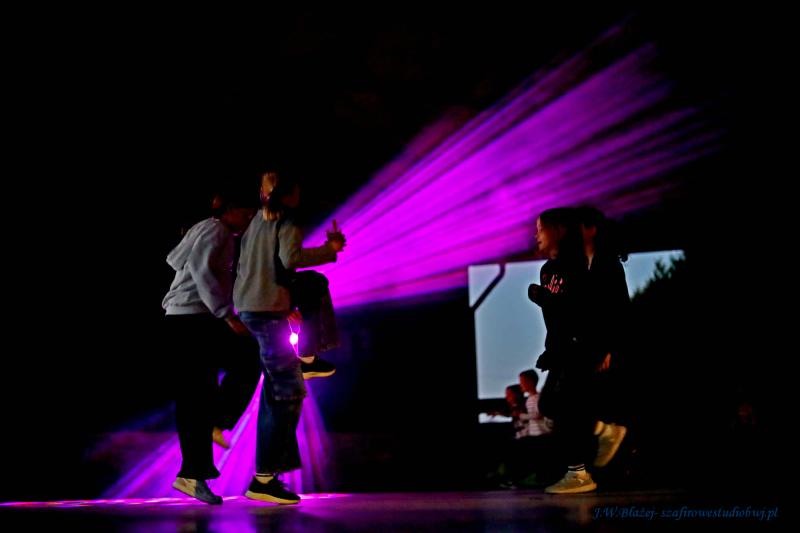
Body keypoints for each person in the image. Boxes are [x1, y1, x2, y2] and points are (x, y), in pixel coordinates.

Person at [233, 170, 346, 504]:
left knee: (277, 391)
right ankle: (264, 479)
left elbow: (265, 267)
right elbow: (290, 259)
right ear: (292, 194)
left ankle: (308, 357)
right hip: (265, 312)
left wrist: (285, 303)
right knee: (287, 392)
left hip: (254, 308)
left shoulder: (256, 220)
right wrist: (330, 249)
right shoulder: (286, 220)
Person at [162, 187, 258, 504]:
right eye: (246, 213)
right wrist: (227, 315)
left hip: (190, 319)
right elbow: (202, 271)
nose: (249, 219)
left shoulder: (207, 228)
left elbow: (177, 259)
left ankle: (194, 470)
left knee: (196, 396)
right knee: (242, 364)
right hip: (192, 320)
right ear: (229, 209)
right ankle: (212, 433)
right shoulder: (217, 230)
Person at [528, 207, 601, 494]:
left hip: (578, 347)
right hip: (560, 348)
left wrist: (544, 297)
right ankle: (601, 431)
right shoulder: (547, 270)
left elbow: (578, 310)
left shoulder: (578, 266)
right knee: (550, 405)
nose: (536, 235)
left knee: (563, 406)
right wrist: (550, 349)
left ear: (558, 231)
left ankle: (579, 473)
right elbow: (555, 317)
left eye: (540, 228)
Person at [576, 206, 630, 468]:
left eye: (577, 227)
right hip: (590, 345)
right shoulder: (581, 264)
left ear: (591, 230)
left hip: (605, 348)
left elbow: (619, 310)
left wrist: (609, 349)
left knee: (601, 403)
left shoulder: (608, 265)